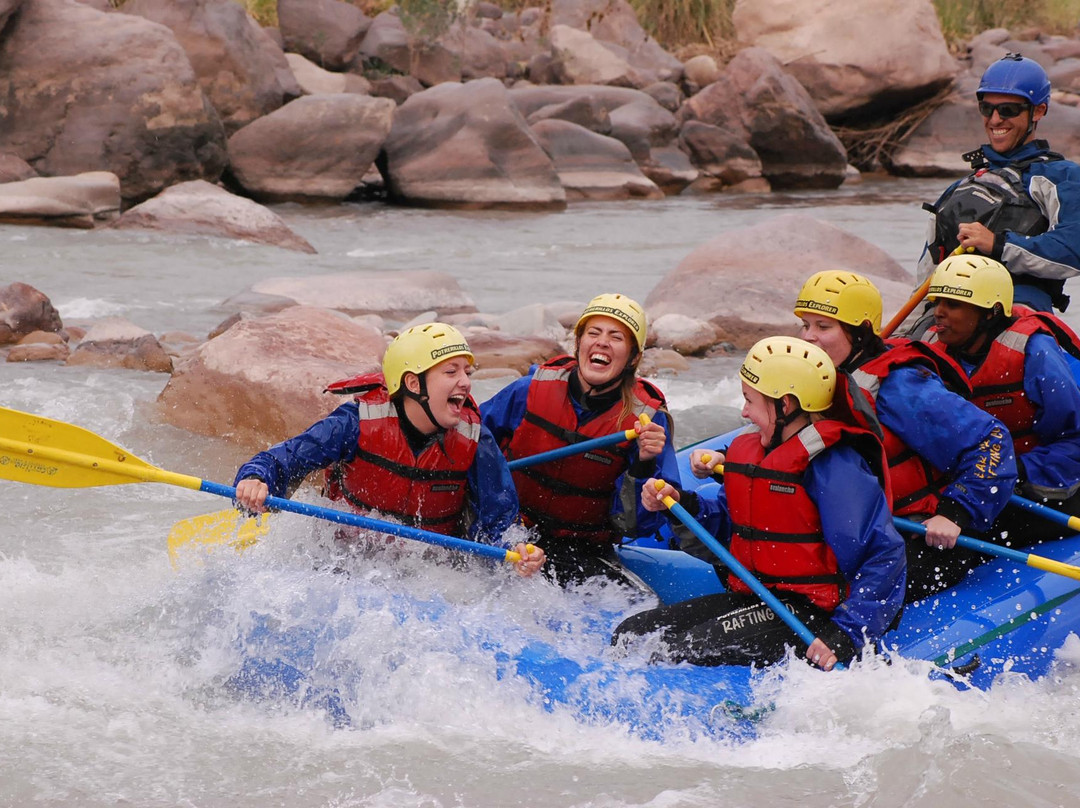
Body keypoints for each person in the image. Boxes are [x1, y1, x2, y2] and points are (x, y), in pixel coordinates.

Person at [613, 337, 906, 672]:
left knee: (675, 653)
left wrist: (848, 632)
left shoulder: (833, 467)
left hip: (811, 611)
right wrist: (683, 504)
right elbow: (728, 526)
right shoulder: (749, 451)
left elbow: (884, 555)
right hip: (758, 597)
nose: (743, 412)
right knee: (631, 635)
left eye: (750, 400)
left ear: (785, 405)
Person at [233, 322, 545, 577]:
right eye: (451, 373)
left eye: (467, 373)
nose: (465, 382)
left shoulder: (477, 441)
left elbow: (500, 523)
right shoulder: (354, 423)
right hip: (342, 560)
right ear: (412, 383)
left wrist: (516, 550)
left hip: (429, 574)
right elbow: (282, 460)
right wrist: (256, 479)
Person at [776, 270, 1015, 601]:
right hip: (860, 532)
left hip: (922, 536)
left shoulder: (900, 387)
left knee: (832, 595)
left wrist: (954, 512)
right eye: (805, 325)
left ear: (859, 333)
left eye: (824, 327)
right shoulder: (819, 378)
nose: (808, 337)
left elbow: (991, 440)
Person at [481, 293, 678, 585]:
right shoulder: (527, 391)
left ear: (634, 357)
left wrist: (645, 465)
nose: (602, 342)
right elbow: (471, 448)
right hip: (513, 535)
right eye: (594, 333)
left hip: (582, 550)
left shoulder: (648, 423)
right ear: (579, 343)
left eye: (616, 337)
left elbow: (636, 526)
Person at [924, 254, 1080, 547]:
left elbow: (1074, 439)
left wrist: (1012, 472)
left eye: (953, 304)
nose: (938, 313)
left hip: (1038, 481)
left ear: (990, 312)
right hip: (973, 482)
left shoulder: (1035, 352)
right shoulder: (931, 349)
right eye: (937, 303)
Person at [918, 52, 1080, 313]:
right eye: (987, 108)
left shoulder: (1061, 177)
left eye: (1008, 110)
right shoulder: (960, 189)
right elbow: (927, 274)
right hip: (951, 320)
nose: (994, 120)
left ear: (1038, 111)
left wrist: (998, 244)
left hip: (1016, 313)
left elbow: (1073, 251)